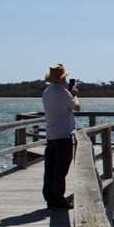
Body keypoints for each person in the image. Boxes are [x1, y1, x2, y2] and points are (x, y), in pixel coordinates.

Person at [42, 63, 80, 209]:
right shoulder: (64, 93)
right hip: (63, 136)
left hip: (51, 136)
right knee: (61, 170)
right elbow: (76, 107)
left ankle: (49, 197)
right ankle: (58, 200)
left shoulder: (47, 92)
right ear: (62, 79)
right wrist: (75, 95)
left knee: (50, 169)